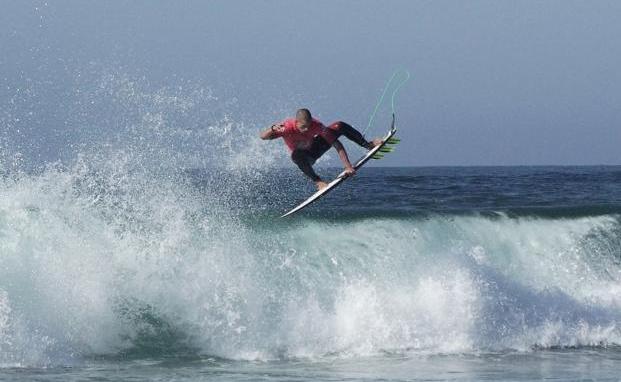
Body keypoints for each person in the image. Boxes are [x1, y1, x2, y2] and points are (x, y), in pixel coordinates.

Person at [260, 108, 382, 191]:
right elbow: (263, 137)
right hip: (304, 157)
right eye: (303, 127)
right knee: (296, 155)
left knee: (339, 125)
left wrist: (347, 166)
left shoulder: (317, 126)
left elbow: (337, 144)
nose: (307, 129)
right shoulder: (286, 127)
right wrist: (272, 128)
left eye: (309, 126)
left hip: (316, 149)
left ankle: (368, 145)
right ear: (296, 122)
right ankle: (318, 182)